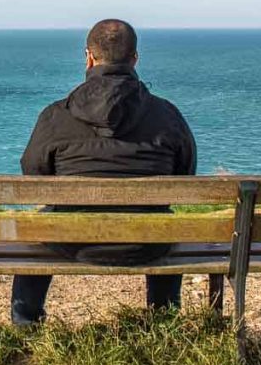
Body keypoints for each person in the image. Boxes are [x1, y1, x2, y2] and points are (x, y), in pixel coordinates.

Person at [12, 19, 197, 325]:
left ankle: (25, 324)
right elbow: (185, 175)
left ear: (88, 57)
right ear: (135, 58)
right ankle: (163, 321)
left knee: (43, 224)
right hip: (147, 241)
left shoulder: (56, 114)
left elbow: (33, 175)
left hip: (72, 239)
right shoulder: (167, 114)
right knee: (164, 224)